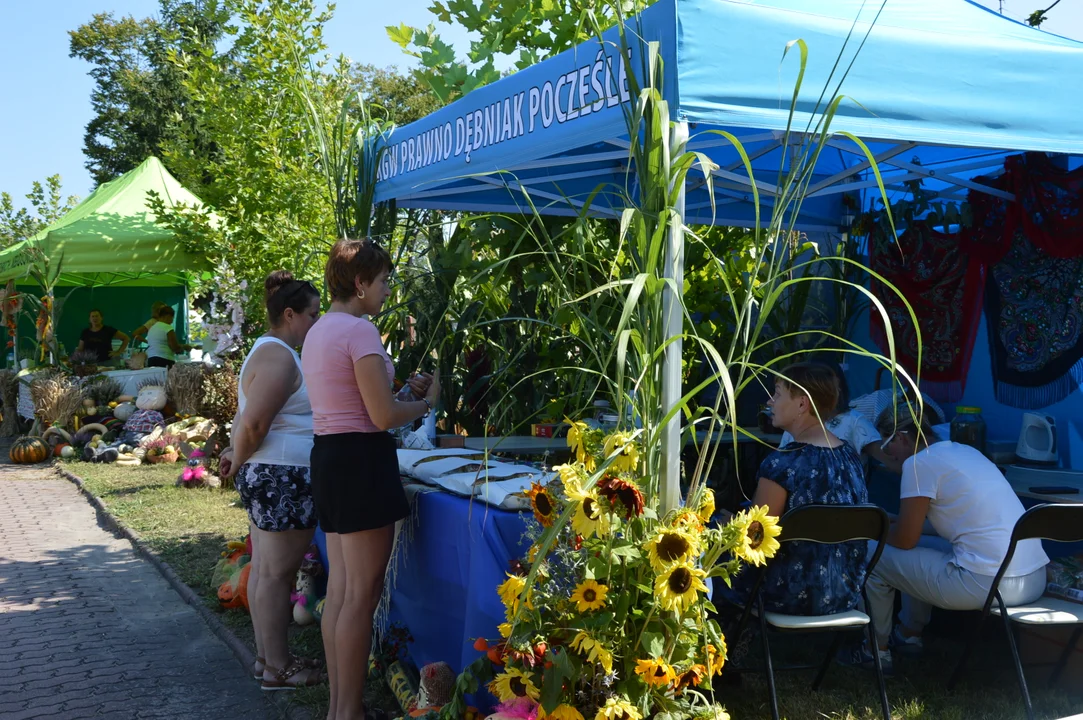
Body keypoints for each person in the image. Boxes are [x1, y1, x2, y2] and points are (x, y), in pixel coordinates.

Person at [302, 238, 437, 720]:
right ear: (359, 283)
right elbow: (381, 416)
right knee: (360, 597)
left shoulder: (320, 330)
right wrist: (425, 402)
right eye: (382, 281)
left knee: (341, 592)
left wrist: (401, 392)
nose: (386, 289)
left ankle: (343, 708)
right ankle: (346, 713)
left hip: (332, 457)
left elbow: (359, 402)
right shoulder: (360, 332)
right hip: (360, 461)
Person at [861, 402, 1049, 674]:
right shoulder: (965, 451)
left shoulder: (918, 464)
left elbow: (904, 540)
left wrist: (873, 529)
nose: (885, 455)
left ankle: (873, 651)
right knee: (923, 549)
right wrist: (897, 523)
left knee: (869, 552)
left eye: (885, 446)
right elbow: (947, 527)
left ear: (901, 438)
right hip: (1032, 580)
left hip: (987, 586)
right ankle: (908, 635)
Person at [219, 270, 323, 691]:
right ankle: (279, 667)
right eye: (313, 315)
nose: (316, 323)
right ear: (289, 314)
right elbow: (256, 422)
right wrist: (239, 460)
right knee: (277, 575)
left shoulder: (268, 351)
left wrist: (235, 456)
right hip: (284, 476)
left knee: (265, 571)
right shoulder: (279, 355)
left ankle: (268, 660)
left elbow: (245, 417)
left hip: (274, 472)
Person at [718, 362, 869, 618]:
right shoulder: (850, 457)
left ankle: (725, 643)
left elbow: (755, 538)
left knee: (709, 541)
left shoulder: (783, 464)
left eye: (777, 393)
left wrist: (727, 524)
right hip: (844, 592)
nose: (769, 401)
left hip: (784, 594)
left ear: (802, 404)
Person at [778, 361, 901, 473]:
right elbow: (779, 467)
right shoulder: (795, 423)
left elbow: (890, 460)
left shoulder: (854, 422)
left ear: (837, 387)